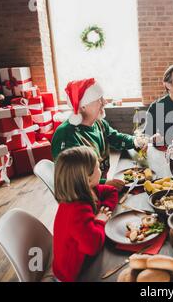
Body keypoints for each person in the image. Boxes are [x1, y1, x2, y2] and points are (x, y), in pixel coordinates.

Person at [51, 78, 148, 188]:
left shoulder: (99, 124)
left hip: (101, 187)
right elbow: (72, 180)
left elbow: (116, 138)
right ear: (83, 106)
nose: (105, 102)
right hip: (83, 196)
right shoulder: (66, 135)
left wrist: (135, 141)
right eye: (99, 99)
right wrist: (103, 184)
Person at [52, 146, 118, 282]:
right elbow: (92, 246)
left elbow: (111, 191)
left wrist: (103, 210)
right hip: (74, 274)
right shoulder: (76, 210)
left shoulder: (87, 190)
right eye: (98, 168)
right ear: (87, 179)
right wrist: (100, 220)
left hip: (83, 258)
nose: (100, 171)